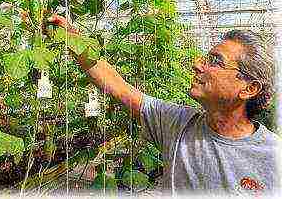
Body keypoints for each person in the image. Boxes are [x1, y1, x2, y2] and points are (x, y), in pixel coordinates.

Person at [47, 14, 281, 197]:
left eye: (215, 61)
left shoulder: (273, 156)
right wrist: (74, 39)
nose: (197, 65)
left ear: (249, 89)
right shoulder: (177, 123)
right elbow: (118, 86)